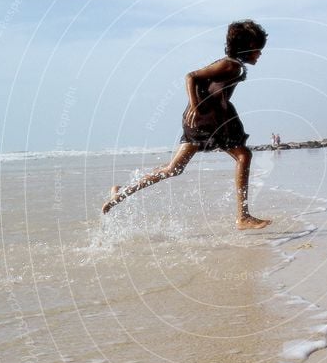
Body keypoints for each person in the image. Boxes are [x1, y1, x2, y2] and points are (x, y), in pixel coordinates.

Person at [102, 20, 272, 230]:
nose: (260, 54)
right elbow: (191, 76)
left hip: (209, 120)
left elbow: (207, 85)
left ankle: (122, 191)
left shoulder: (233, 65)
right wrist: (194, 105)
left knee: (173, 169)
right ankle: (243, 217)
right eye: (258, 49)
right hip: (207, 121)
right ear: (247, 47)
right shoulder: (231, 65)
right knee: (243, 156)